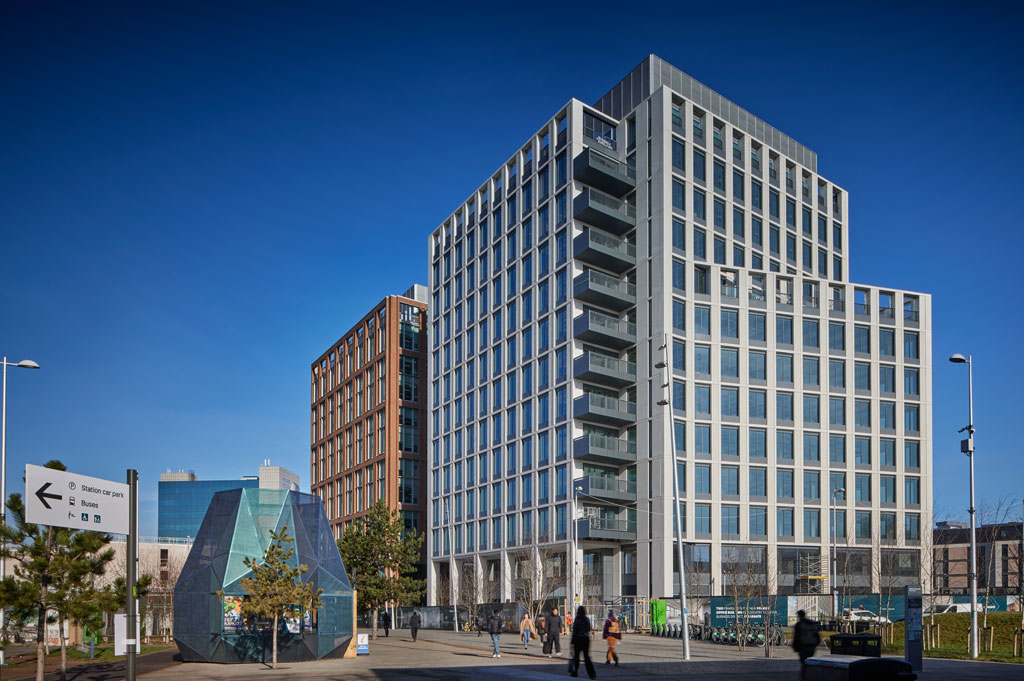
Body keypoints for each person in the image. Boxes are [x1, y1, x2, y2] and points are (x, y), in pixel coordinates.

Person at [792, 610, 820, 678]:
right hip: (812, 646)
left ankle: (805, 677)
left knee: (804, 663)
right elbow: (817, 636)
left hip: (803, 647)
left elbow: (796, 637)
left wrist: (796, 648)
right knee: (808, 663)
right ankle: (810, 676)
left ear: (799, 616)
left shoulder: (799, 624)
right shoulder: (812, 624)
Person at [570, 605, 596, 679]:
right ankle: (592, 674)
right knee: (587, 657)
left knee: (576, 657)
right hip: (586, 639)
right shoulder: (587, 619)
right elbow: (588, 629)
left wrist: (572, 642)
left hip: (578, 639)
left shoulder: (577, 620)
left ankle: (575, 672)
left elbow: (575, 631)